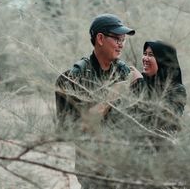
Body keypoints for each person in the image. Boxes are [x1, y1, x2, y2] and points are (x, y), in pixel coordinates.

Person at [55, 13, 137, 189]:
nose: (121, 44)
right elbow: (72, 129)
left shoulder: (125, 72)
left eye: (123, 39)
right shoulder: (73, 78)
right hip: (93, 170)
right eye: (117, 38)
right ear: (100, 38)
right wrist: (113, 95)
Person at [127, 40, 187, 147]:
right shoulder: (138, 81)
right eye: (144, 54)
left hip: (161, 150)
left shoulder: (177, 89)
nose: (145, 58)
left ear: (163, 60)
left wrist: (140, 84)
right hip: (132, 147)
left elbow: (163, 119)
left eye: (151, 55)